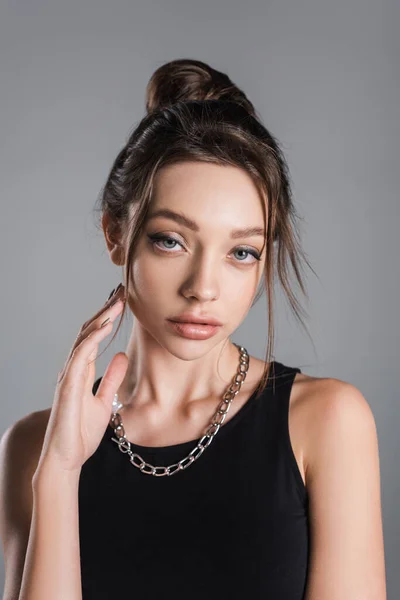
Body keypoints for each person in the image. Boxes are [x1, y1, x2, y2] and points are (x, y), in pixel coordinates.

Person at [0, 59, 386, 600]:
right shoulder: (32, 447)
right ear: (115, 234)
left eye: (241, 252)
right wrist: (61, 471)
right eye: (171, 240)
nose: (203, 287)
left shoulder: (326, 422)